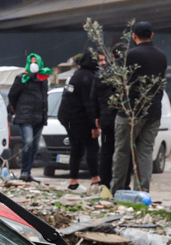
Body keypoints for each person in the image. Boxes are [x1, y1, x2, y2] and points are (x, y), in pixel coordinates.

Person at [112, 21, 168, 193]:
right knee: (145, 153)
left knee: (122, 151)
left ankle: (118, 190)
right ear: (152, 35)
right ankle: (141, 193)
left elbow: (116, 81)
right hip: (153, 112)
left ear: (134, 36)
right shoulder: (162, 56)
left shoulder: (130, 56)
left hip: (130, 113)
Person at [59, 50, 101, 190]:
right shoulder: (87, 78)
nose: (102, 63)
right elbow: (88, 104)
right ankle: (95, 179)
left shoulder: (76, 74)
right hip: (77, 118)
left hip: (66, 117)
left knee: (76, 148)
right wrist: (93, 126)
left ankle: (73, 182)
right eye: (99, 60)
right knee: (92, 146)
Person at [8, 53, 49, 182]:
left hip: (39, 117)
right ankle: (24, 172)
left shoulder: (43, 79)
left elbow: (44, 98)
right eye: (31, 62)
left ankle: (28, 172)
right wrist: (17, 109)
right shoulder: (22, 78)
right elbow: (12, 95)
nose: (34, 65)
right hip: (25, 117)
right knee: (28, 143)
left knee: (35, 146)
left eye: (36, 62)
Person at [92, 47, 120, 189]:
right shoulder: (121, 74)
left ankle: (105, 182)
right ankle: (120, 184)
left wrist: (97, 117)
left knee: (106, 150)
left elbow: (93, 98)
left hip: (105, 117)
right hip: (119, 117)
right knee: (120, 151)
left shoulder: (100, 75)